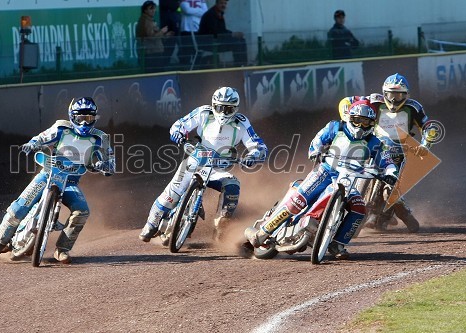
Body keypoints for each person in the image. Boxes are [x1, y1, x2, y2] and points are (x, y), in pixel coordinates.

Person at [245, 100, 398, 259]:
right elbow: (317, 141)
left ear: (372, 124)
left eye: (365, 121)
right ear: (349, 118)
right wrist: (315, 151)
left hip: (349, 180)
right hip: (325, 173)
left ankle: (337, 244)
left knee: (359, 209)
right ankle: (263, 233)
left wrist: (391, 173)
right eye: (357, 120)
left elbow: (387, 161)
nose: (360, 126)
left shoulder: (375, 143)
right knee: (297, 202)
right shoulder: (335, 127)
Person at [0, 97, 115, 263]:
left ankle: (62, 249)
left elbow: (111, 162)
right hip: (47, 175)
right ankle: (0, 241)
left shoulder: (100, 138)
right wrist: (32, 144)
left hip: (70, 183)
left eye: (88, 118)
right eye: (80, 118)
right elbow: (41, 138)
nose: (84, 123)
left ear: (95, 118)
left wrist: (104, 165)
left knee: (82, 211)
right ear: (72, 116)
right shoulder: (61, 128)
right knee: (19, 207)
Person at [139, 86, 267, 243]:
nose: (224, 113)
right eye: (220, 108)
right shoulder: (203, 113)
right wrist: (178, 135)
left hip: (218, 169)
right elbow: (178, 125)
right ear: (214, 105)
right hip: (194, 162)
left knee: (233, 185)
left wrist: (253, 156)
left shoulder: (241, 123)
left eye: (229, 109)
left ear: (236, 108)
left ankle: (222, 228)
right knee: (172, 193)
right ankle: (151, 224)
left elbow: (258, 145)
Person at [338, 73, 438, 232]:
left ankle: (401, 210)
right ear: (384, 93)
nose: (394, 99)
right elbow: (348, 101)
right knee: (347, 168)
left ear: (406, 95)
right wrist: (346, 117)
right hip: (372, 146)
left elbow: (428, 126)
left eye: (398, 95)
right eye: (390, 94)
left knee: (390, 187)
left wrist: (425, 145)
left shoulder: (414, 107)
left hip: (399, 152)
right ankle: (337, 205)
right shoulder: (374, 101)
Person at [198, 0, 248, 67]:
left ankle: (243, 64)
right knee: (237, 43)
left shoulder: (218, 13)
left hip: (216, 40)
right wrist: (232, 34)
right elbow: (215, 32)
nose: (223, 5)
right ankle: (238, 65)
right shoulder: (211, 14)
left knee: (241, 40)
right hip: (210, 42)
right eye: (221, 3)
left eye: (225, 3)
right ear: (216, 3)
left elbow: (222, 31)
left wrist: (233, 34)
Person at [136, 0, 175, 73]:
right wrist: (162, 31)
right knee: (156, 75)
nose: (153, 10)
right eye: (151, 8)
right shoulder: (146, 21)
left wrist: (165, 35)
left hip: (155, 52)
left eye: (154, 8)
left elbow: (155, 36)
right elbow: (152, 38)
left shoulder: (150, 20)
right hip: (152, 54)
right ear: (145, 10)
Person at [179, 0, 208, 65]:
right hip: (186, 29)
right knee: (187, 52)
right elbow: (187, 10)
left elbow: (206, 12)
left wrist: (192, 11)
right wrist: (199, 10)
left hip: (198, 28)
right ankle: (186, 70)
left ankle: (196, 69)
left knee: (198, 51)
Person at [159, 0, 181, 68]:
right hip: (165, 17)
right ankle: (164, 63)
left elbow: (177, 5)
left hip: (174, 17)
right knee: (167, 41)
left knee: (175, 39)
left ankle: (168, 61)